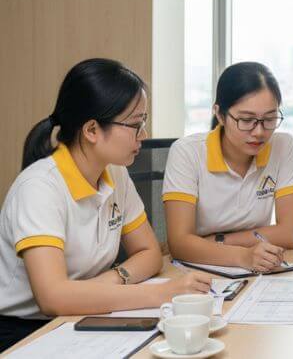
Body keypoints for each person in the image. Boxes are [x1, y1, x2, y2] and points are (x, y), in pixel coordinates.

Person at [0, 59, 210, 352]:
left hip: (87, 312)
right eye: (135, 124)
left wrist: (110, 280)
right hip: (26, 331)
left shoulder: (115, 173)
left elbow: (149, 254)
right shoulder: (39, 188)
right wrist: (163, 293)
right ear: (91, 130)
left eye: (144, 122)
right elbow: (53, 298)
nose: (144, 135)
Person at [163, 62, 293, 272]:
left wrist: (217, 241)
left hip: (258, 268)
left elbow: (290, 234)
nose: (259, 132)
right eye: (246, 120)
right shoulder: (186, 152)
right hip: (197, 271)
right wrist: (244, 255)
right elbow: (180, 243)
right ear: (220, 115)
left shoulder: (283, 146)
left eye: (269, 119)